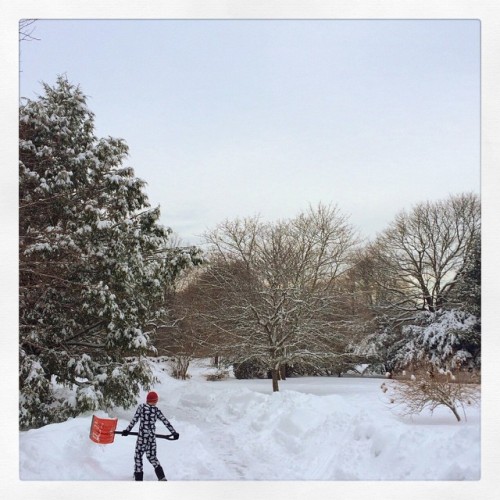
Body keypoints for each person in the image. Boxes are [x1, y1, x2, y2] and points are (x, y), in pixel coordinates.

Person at [122, 391, 179, 481]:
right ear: (155, 401)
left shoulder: (141, 407)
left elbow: (134, 420)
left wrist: (127, 430)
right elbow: (165, 421)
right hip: (151, 439)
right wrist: (174, 432)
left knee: (138, 457)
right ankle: (162, 477)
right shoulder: (156, 411)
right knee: (152, 457)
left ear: (147, 400)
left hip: (142, 438)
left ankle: (139, 480)